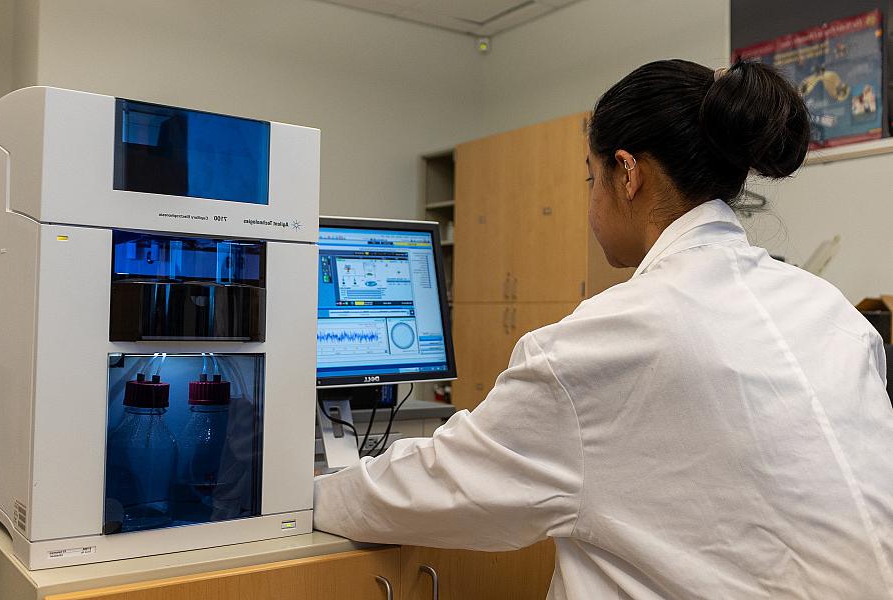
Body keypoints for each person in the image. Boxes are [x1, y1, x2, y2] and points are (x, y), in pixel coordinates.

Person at [313, 60, 893, 599]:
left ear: (627, 173)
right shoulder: (833, 313)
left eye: (589, 177)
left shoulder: (605, 343)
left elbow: (439, 489)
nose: (591, 200)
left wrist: (307, 499)